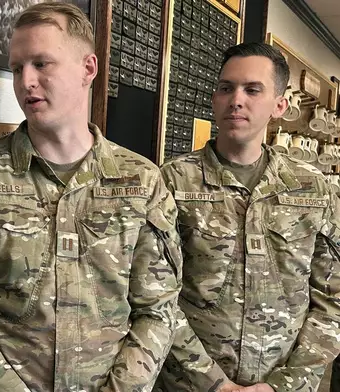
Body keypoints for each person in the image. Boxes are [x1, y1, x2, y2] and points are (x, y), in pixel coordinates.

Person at [0, 3, 182, 391]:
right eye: (17, 68)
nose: (25, 81)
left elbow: (158, 309)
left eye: (42, 64)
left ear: (88, 69)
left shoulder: (143, 181)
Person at [156, 42, 340, 392]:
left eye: (252, 89)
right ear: (214, 98)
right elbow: (156, 296)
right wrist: (213, 383)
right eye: (226, 88)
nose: (236, 99)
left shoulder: (312, 190)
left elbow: (332, 299)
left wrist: (283, 384)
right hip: (188, 384)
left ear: (279, 105)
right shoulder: (173, 182)